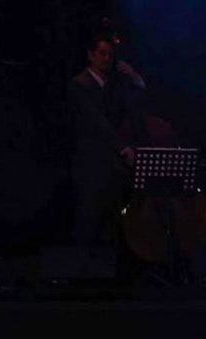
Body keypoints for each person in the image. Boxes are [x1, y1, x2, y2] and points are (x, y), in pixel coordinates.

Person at [68, 33, 146, 244]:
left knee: (111, 225)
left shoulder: (112, 86)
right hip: (89, 165)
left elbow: (129, 110)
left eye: (109, 55)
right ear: (90, 55)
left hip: (111, 166)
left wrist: (135, 80)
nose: (106, 58)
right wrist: (124, 149)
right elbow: (98, 122)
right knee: (88, 220)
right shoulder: (79, 84)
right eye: (101, 53)